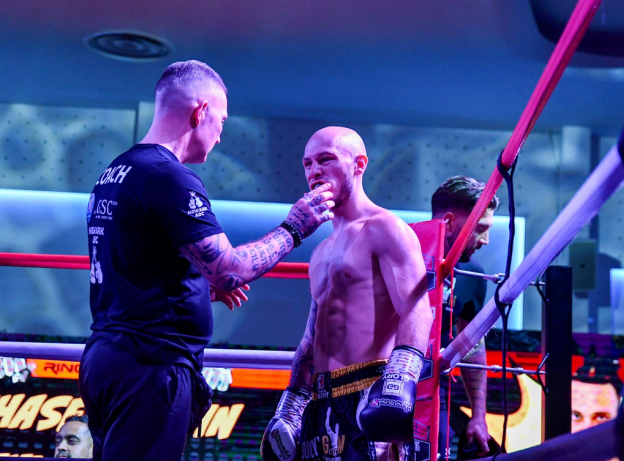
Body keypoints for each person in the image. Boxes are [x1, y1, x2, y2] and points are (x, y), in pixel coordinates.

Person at [80, 60, 335, 461]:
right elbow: (231, 269)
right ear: (200, 112)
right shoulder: (168, 176)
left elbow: (135, 264)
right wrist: (294, 227)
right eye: (221, 120)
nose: (220, 134)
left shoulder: (117, 171)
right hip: (150, 365)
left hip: (109, 359)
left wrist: (196, 288)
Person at [261, 126, 433, 461]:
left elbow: (417, 308)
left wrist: (399, 380)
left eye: (326, 159)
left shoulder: (384, 227)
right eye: (308, 163)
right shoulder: (320, 252)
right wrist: (291, 406)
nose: (315, 171)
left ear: (359, 164)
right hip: (320, 401)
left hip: (369, 392)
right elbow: (312, 335)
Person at [431, 176, 500, 460]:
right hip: (375, 387)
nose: (485, 241)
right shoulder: (398, 254)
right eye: (480, 229)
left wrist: (479, 415)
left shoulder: (473, 272)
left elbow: (472, 344)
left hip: (433, 394)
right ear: (449, 222)